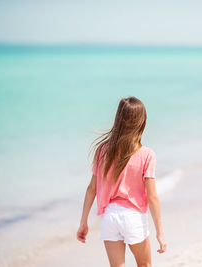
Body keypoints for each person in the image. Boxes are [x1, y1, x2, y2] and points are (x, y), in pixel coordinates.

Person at [77, 96, 167, 267]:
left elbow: (91, 189)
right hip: (133, 217)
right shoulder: (146, 154)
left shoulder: (103, 150)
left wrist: (83, 222)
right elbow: (152, 196)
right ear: (142, 121)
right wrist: (160, 233)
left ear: (118, 119)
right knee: (145, 265)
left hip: (109, 217)